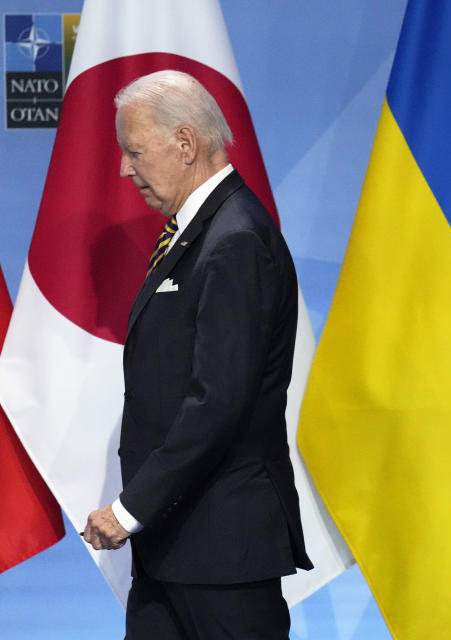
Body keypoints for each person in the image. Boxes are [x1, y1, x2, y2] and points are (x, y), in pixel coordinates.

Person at [82, 70, 312, 639]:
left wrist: (128, 509)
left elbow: (218, 402)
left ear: (184, 143)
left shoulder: (234, 239)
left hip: (222, 555)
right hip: (175, 545)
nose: (124, 169)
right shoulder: (199, 232)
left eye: (133, 151)